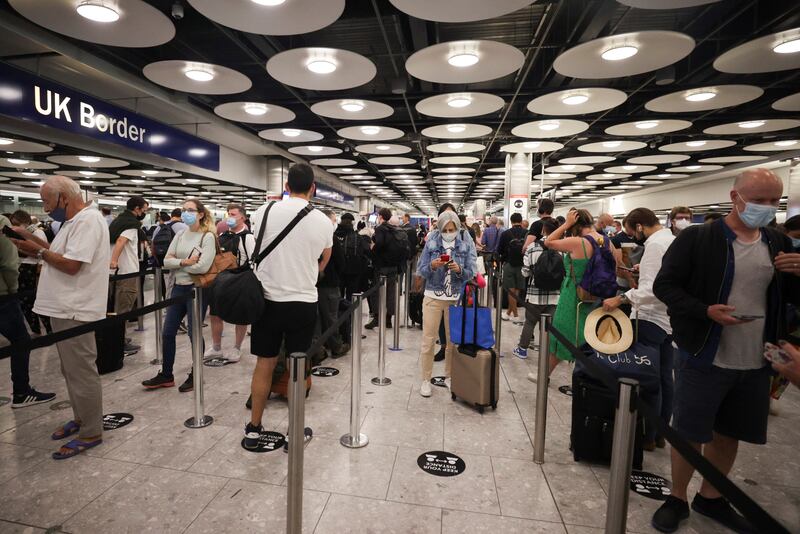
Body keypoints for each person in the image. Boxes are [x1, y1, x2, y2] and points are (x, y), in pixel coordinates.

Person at [651, 169, 800, 533]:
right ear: (736, 198)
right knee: (688, 430)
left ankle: (712, 495)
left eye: (773, 201)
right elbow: (665, 285)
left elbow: (789, 302)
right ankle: (677, 496)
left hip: (757, 358)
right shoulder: (698, 239)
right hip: (704, 352)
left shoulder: (778, 242)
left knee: (729, 432)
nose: (766, 208)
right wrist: (704, 310)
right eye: (759, 200)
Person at [11, 176, 109, 459]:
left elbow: (71, 265)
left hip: (75, 308)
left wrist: (38, 251)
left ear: (64, 198)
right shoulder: (73, 222)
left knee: (81, 371)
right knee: (70, 370)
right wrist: (28, 237)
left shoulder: (88, 222)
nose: (45, 208)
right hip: (63, 307)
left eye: (47, 201)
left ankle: (91, 430)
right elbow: (60, 253)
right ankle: (81, 418)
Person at [244, 163, 332, 449]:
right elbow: (321, 255)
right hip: (302, 301)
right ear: (313, 188)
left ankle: (254, 427)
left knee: (264, 364)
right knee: (297, 367)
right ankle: (294, 431)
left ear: (286, 186)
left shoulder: (263, 211)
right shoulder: (322, 221)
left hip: (267, 300)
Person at [602, 208, 675, 450]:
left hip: (649, 317)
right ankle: (661, 431)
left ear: (640, 226)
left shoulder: (654, 245)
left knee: (648, 378)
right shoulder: (669, 239)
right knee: (665, 377)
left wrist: (621, 299)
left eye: (633, 231)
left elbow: (651, 291)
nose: (632, 236)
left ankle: (647, 435)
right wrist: (642, 271)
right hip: (667, 320)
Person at [141, 198, 216, 392]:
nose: (186, 213)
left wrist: (179, 262)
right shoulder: (181, 234)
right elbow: (166, 261)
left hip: (196, 290)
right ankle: (166, 374)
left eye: (190, 210)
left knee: (194, 332)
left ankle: (196, 372)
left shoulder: (207, 237)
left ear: (200, 214)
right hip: (178, 288)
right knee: (168, 332)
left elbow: (203, 266)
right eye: (184, 210)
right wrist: (185, 262)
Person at [541, 209, 621, 380]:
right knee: (588, 336)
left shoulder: (579, 242)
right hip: (598, 296)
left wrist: (566, 224)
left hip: (574, 294)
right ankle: (581, 377)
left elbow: (548, 242)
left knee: (564, 334)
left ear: (575, 224)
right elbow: (616, 267)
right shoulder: (606, 241)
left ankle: (545, 375)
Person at [416, 211, 477, 397]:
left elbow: (472, 272)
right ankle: (426, 380)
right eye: (445, 229)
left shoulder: (465, 241)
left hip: (455, 297)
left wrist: (459, 269)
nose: (449, 232)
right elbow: (421, 270)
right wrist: (432, 266)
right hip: (432, 295)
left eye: (452, 229)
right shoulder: (432, 241)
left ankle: (449, 377)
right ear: (440, 228)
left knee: (452, 342)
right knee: (428, 340)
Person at [0, 215, 55, 409]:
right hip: (3, 296)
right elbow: (7, 264)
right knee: (21, 342)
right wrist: (13, 291)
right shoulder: (1, 223)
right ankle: (21, 392)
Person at [204, 203, 255, 364]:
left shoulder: (248, 237)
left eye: (233, 214)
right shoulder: (222, 235)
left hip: (239, 279)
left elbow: (253, 260)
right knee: (215, 313)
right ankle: (216, 346)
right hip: (220, 280)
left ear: (242, 217)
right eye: (228, 214)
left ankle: (237, 347)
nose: (229, 217)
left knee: (240, 315)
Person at [515, 219, 559, 361]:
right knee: (549, 326)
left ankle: (522, 349)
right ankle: (547, 352)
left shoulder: (532, 247)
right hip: (555, 295)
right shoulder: (561, 247)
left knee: (530, 322)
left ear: (543, 231)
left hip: (535, 294)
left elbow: (525, 272)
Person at [108, 196, 148, 353]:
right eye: (144, 210)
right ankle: (120, 341)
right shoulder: (132, 223)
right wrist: (114, 261)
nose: (144, 213)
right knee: (123, 307)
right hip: (126, 271)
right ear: (137, 209)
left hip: (115, 272)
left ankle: (118, 337)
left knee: (115, 307)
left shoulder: (117, 221)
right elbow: (120, 242)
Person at [313, 209, 349, 362]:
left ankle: (317, 350)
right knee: (330, 317)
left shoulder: (311, 236)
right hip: (329, 284)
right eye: (334, 220)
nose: (336, 223)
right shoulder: (331, 238)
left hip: (311, 283)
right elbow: (341, 263)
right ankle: (336, 346)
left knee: (316, 319)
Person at [10, 209, 52, 336]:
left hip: (32, 269)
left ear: (25, 222)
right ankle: (35, 329)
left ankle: (50, 330)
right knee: (25, 302)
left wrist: (20, 248)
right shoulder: (19, 233)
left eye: (18, 224)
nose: (16, 227)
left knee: (36, 300)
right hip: (22, 268)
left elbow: (41, 253)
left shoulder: (37, 233)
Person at [365, 208, 404, 330]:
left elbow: (380, 244)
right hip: (393, 266)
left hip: (381, 266)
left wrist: (372, 249)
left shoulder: (380, 228)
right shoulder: (393, 228)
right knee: (391, 293)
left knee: (376, 292)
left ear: (380, 216)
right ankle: (388, 319)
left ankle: (376, 318)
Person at [152, 208, 188, 300]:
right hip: (181, 262)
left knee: (168, 284)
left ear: (171, 216)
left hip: (164, 260)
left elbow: (153, 244)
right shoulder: (185, 227)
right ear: (182, 216)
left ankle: (167, 306)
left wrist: (158, 259)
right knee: (182, 285)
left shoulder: (160, 227)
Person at [497, 212, 527, 324]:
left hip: (509, 264)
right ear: (521, 220)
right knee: (517, 290)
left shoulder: (505, 234)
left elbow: (499, 250)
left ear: (511, 221)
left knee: (511, 291)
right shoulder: (526, 233)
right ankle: (509, 313)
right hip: (523, 265)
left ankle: (515, 315)